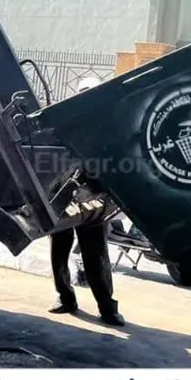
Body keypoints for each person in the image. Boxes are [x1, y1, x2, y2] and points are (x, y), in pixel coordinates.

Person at [48, 76, 125, 327]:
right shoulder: (65, 121)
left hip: (94, 197)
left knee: (95, 252)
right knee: (59, 248)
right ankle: (65, 297)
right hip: (63, 195)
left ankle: (107, 306)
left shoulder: (107, 125)